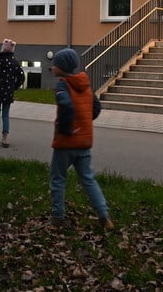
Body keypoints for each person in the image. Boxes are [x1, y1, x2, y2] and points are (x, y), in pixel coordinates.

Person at [49, 48, 113, 230]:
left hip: (66, 142)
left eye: (55, 64)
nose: (52, 67)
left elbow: (66, 107)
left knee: (57, 178)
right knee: (88, 179)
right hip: (84, 142)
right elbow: (96, 107)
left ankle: (57, 217)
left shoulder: (63, 85)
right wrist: (84, 123)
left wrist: (66, 129)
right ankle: (104, 216)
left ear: (62, 67)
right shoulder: (84, 84)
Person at [0, 38, 24, 148]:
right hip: (8, 91)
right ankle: (5, 138)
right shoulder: (14, 63)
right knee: (5, 114)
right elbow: (21, 76)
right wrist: (15, 86)